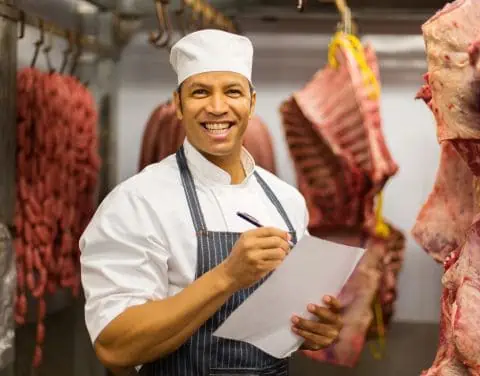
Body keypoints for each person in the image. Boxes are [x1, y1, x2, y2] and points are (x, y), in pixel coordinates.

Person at [79, 29, 343, 376]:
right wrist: (229, 276)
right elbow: (114, 347)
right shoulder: (137, 202)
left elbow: (288, 318)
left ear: (251, 102)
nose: (217, 107)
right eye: (200, 92)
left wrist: (313, 330)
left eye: (232, 91)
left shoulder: (286, 200)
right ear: (177, 104)